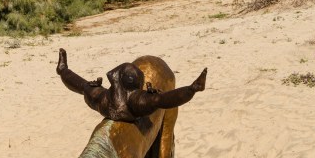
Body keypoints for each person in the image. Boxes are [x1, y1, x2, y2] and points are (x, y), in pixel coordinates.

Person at [56, 48, 207, 122]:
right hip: (114, 105)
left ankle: (62, 69)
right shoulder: (137, 100)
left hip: (104, 102)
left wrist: (191, 90)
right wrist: (191, 89)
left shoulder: (101, 96)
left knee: (84, 86)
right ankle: (63, 70)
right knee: (85, 87)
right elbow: (164, 99)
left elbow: (164, 100)